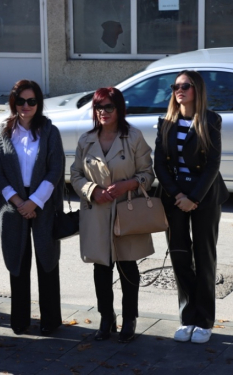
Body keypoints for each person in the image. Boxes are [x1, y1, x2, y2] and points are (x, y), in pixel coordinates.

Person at [70, 87, 154, 343]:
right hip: (96, 213)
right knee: (101, 268)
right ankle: (106, 318)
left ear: (119, 109)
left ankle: (129, 319)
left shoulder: (134, 137)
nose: (103, 112)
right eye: (98, 107)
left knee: (128, 267)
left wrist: (127, 185)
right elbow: (75, 175)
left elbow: (148, 175)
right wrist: (92, 190)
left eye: (109, 107)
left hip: (126, 212)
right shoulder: (86, 139)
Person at [154, 70, 229, 344]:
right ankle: (187, 318)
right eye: (176, 86)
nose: (179, 90)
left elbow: (212, 165)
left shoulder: (210, 121)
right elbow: (159, 164)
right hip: (174, 199)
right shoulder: (165, 123)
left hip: (205, 197)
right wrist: (177, 195)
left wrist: (193, 198)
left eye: (186, 86)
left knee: (204, 257)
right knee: (180, 257)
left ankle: (204, 321)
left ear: (197, 89)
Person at [0, 79, 65, 335]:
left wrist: (35, 201)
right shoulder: (4, 131)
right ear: (14, 102)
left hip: (42, 203)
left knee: (47, 262)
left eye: (31, 101)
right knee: (18, 263)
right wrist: (18, 201)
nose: (26, 106)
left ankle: (50, 321)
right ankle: (20, 321)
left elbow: (56, 169)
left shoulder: (49, 131)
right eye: (21, 101)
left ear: (38, 103)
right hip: (14, 206)